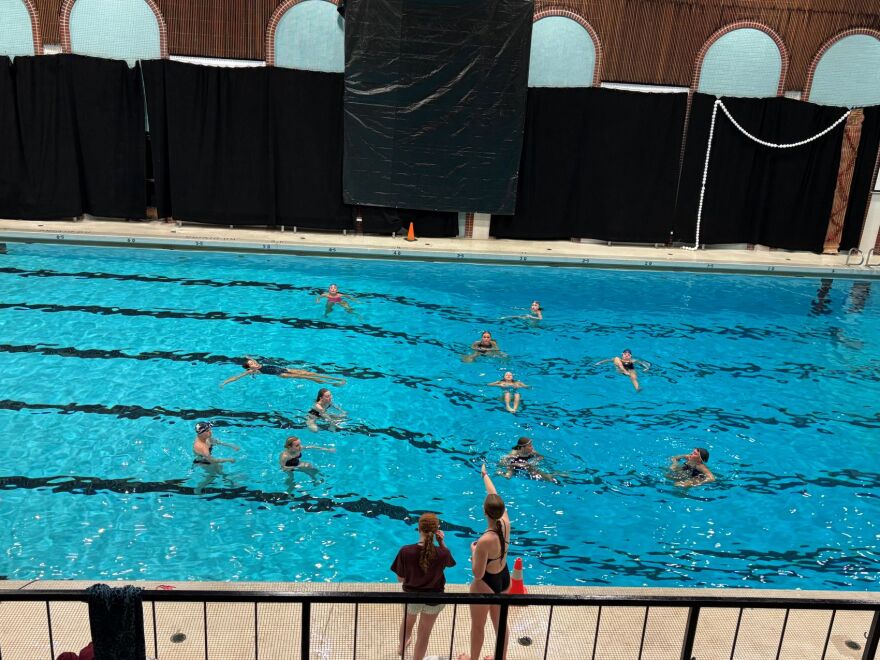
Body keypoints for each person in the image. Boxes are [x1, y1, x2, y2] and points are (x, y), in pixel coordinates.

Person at [458, 464, 511, 660]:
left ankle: (472, 659)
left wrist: (473, 552)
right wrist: (485, 475)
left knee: (478, 626)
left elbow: (478, 574)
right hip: (504, 577)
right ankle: (501, 658)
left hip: (486, 583)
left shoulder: (484, 541)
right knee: (500, 624)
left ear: (484, 512)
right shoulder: (505, 522)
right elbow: (494, 493)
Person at [390, 513, 456, 660]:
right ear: (436, 531)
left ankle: (402, 647)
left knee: (408, 622)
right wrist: (441, 542)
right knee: (424, 633)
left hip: (411, 597)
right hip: (434, 599)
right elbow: (451, 563)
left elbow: (400, 579)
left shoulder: (405, 551)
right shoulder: (442, 553)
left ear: (418, 528)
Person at [220, 357, 345, 388]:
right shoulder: (254, 371)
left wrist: (246, 357)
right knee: (307, 378)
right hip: (281, 374)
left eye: (252, 361)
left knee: (307, 373)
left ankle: (334, 379)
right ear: (249, 367)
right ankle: (330, 383)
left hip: (285, 369)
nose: (252, 362)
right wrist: (225, 382)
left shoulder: (256, 363)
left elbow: (250, 357)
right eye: (250, 363)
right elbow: (237, 377)